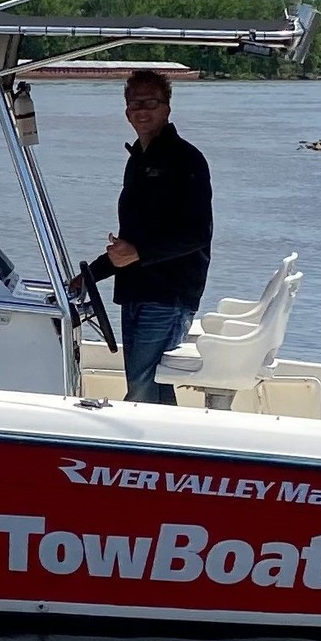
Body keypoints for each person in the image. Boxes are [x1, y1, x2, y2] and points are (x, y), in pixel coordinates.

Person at [83, 70, 211, 405]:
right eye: (135, 103)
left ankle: (143, 451)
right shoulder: (137, 161)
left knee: (141, 384)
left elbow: (198, 234)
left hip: (169, 295)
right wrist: (87, 277)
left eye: (150, 102)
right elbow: (130, 240)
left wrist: (139, 252)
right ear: (126, 112)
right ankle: (173, 450)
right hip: (136, 291)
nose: (142, 110)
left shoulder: (187, 160)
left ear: (167, 108)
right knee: (155, 382)